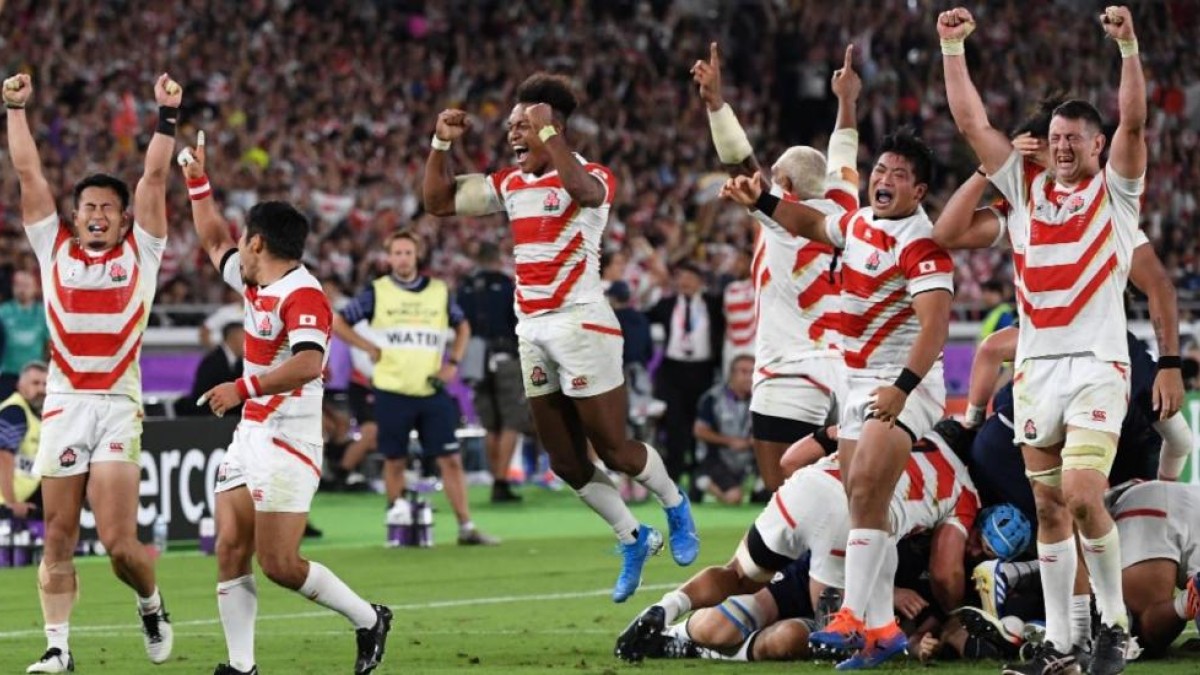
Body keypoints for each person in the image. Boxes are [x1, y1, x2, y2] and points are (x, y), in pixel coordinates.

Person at [939, 7, 1183, 673]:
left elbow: (1134, 122)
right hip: (1035, 371)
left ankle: (1116, 627)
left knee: (1081, 493)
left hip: (1098, 368)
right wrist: (952, 48)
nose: (1064, 146)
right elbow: (972, 125)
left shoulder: (1116, 197)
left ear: (1097, 146)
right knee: (1049, 508)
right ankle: (1065, 645)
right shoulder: (1022, 192)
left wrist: (1128, 46)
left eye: (1076, 137)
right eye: (1055, 137)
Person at [422, 72, 698, 602]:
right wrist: (440, 143)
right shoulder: (510, 184)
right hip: (532, 329)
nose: (512, 133)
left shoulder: (592, 174)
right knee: (566, 462)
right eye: (511, 126)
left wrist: (549, 135)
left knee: (615, 451)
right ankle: (633, 536)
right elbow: (438, 201)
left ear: (553, 127)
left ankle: (674, 503)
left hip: (582, 324)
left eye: (523, 125)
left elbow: (585, 193)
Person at [723, 123, 954, 667]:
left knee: (868, 489)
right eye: (881, 170)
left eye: (899, 174)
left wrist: (902, 389)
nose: (884, 179)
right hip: (856, 381)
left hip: (904, 384)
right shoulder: (858, 223)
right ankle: (883, 630)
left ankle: (851, 615)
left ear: (919, 190)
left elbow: (935, 327)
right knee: (863, 503)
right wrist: (762, 201)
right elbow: (809, 222)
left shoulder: (922, 245)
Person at [177, 132, 391, 675]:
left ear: (257, 243)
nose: (235, 247)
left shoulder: (304, 295)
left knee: (279, 564)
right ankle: (241, 666)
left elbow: (309, 363)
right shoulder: (256, 280)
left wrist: (242, 387)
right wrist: (197, 182)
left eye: (243, 239)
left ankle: (368, 618)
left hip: (290, 440)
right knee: (230, 548)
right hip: (250, 434)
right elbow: (211, 238)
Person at [5, 71, 179, 673]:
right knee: (57, 533)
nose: (98, 214)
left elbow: (154, 177)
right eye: (89, 207)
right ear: (75, 217)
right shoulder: (52, 248)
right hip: (64, 402)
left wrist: (166, 115)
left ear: (125, 219)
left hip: (117, 406)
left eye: (108, 207)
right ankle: (58, 648)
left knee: (119, 546)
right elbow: (29, 172)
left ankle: (150, 604)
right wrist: (15, 108)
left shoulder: (142, 252)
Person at [617, 421, 1027, 665]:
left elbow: (790, 462)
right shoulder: (961, 497)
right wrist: (937, 606)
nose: (976, 549)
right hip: (845, 532)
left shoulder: (887, 429)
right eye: (979, 541)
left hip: (805, 491)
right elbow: (943, 572)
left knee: (737, 579)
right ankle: (695, 638)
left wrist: (835, 431)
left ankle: (665, 611)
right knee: (831, 632)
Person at [692, 42, 859, 496]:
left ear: (784, 184)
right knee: (839, 484)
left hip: (790, 371)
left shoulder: (783, 217)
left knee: (782, 489)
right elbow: (845, 148)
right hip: (843, 370)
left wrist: (716, 105)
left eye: (774, 175)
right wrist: (847, 100)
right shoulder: (845, 205)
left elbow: (739, 163)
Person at [332, 230, 498, 545]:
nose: (403, 259)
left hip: (431, 388)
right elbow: (339, 321)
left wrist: (453, 362)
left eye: (408, 252)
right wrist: (367, 346)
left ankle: (466, 527)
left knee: (450, 459)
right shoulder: (377, 292)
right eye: (397, 253)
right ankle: (398, 525)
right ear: (388, 257)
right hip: (391, 389)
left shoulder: (438, 291)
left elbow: (462, 325)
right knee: (394, 459)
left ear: (417, 255)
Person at [456, 241, 530, 503]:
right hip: (504, 356)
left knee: (491, 425)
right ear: (497, 260)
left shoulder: (465, 287)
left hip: (475, 359)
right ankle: (501, 481)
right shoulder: (506, 285)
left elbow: (458, 322)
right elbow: (518, 321)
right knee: (512, 422)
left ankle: (496, 479)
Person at [647, 262, 725, 487]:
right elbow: (642, 313)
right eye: (681, 277)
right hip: (673, 372)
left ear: (701, 281)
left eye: (690, 277)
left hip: (704, 371)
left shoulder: (714, 304)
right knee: (674, 425)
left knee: (700, 423)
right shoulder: (666, 304)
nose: (685, 282)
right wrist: (649, 287)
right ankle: (672, 476)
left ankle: (698, 475)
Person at [1105, 480, 1200, 659]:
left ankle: (1191, 600)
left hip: (1147, 496)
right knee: (1137, 636)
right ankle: (1189, 600)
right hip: (1147, 505)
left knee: (1128, 632)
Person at [693, 355, 755, 505]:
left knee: (769, 493)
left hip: (749, 457)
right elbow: (699, 431)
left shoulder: (761, 399)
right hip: (717, 457)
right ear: (731, 374)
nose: (749, 377)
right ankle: (706, 483)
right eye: (743, 372)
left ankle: (749, 487)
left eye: (752, 372)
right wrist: (730, 442)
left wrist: (753, 441)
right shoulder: (713, 398)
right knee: (734, 497)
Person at [0, 361, 48, 519]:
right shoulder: (15, 412)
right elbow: (3, 457)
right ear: (20, 386)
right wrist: (11, 503)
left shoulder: (35, 415)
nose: (41, 389)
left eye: (45, 384)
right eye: (35, 383)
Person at [176, 323, 244, 417]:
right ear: (233, 337)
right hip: (209, 417)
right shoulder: (213, 361)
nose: (249, 343)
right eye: (245, 337)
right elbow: (203, 395)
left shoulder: (239, 362)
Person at [0, 270, 49, 399]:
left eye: (26, 285)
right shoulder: (3, 312)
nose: (22, 289)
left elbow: (50, 344)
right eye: (18, 285)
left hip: (35, 375)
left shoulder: (43, 314)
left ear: (36, 288)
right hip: (8, 373)